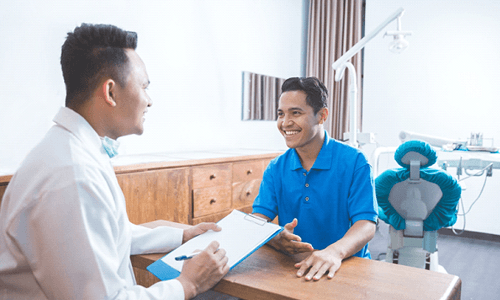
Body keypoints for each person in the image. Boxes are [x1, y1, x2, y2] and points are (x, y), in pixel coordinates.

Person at [0, 23, 229, 300]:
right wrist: (187, 284)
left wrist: (182, 236)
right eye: (144, 86)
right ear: (110, 92)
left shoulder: (75, 151)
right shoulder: (73, 175)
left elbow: (110, 236)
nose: (149, 100)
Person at [252, 77, 378, 281]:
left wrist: (334, 252)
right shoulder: (276, 167)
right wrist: (274, 237)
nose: (285, 123)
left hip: (346, 267)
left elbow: (366, 224)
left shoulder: (355, 162)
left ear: (322, 115)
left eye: (296, 113)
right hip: (295, 266)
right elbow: (258, 218)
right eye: (281, 114)